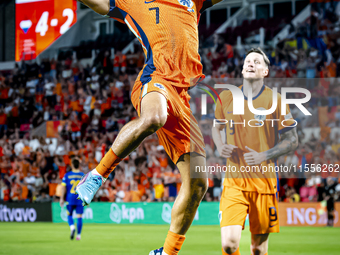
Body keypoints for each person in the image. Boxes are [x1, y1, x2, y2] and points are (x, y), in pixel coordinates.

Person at [75, 0, 224, 254]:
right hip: (156, 78)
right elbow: (99, 4)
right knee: (155, 118)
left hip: (183, 95)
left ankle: (166, 252)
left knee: (199, 182)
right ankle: (97, 175)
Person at [212, 48, 299, 255]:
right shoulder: (226, 97)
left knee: (258, 249)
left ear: (265, 71)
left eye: (257, 62)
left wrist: (264, 155)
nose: (251, 63)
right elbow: (216, 127)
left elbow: (292, 140)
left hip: (264, 184)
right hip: (234, 182)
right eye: (248, 61)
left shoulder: (276, 101)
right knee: (229, 244)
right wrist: (219, 145)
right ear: (242, 68)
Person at [60, 157, 85, 240]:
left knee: (69, 215)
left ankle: (72, 228)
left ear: (72, 165)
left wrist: (61, 198)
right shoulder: (82, 175)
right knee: (79, 217)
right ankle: (78, 236)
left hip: (70, 198)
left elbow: (63, 187)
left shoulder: (67, 175)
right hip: (79, 198)